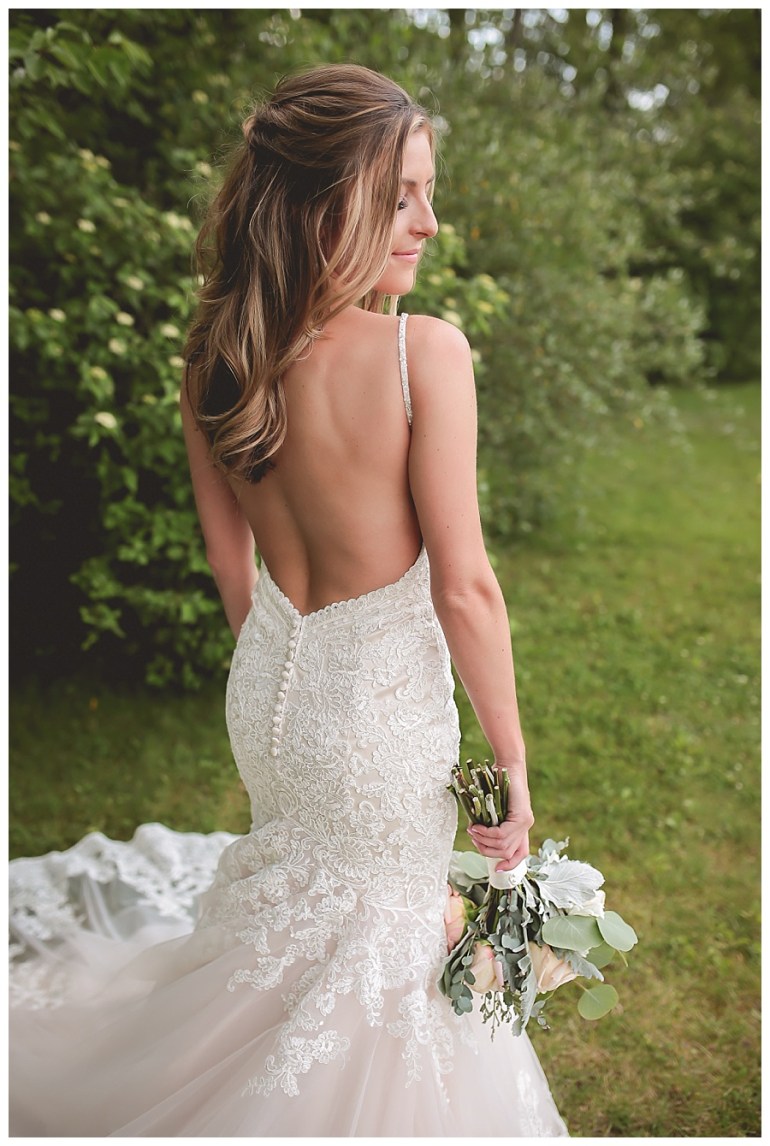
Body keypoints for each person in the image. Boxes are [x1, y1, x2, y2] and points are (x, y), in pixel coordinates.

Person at [9, 65, 568, 1136]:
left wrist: (284, 674)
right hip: (376, 727)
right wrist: (508, 768)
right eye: (400, 194)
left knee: (298, 926)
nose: (428, 221)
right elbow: (464, 585)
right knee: (380, 953)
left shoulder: (215, 357)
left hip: (269, 692)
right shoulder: (423, 355)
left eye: (425, 192)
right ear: (324, 202)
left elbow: (236, 575)